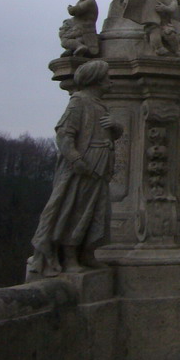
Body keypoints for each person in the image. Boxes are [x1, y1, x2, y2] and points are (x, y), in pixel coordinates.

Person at [27, 60, 123, 277]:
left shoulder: (99, 104)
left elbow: (107, 134)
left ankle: (87, 252)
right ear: (95, 80)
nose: (110, 81)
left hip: (100, 168)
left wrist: (116, 128)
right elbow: (64, 134)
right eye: (107, 78)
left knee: (97, 213)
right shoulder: (78, 102)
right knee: (76, 212)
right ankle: (70, 257)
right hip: (83, 168)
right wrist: (76, 159)